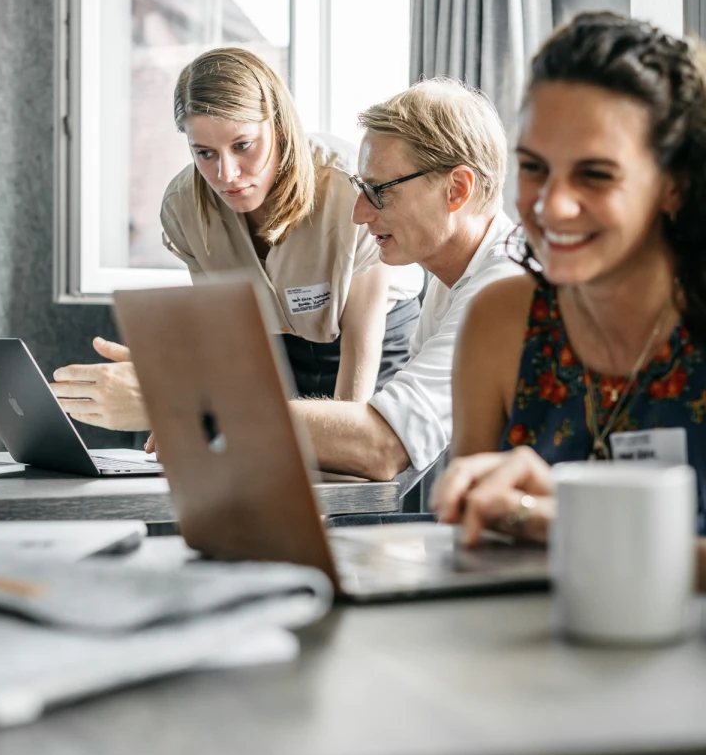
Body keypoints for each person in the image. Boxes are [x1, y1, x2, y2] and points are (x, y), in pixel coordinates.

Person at [52, 76, 522, 482]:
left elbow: (383, 447)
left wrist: (183, 400)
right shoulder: (453, 282)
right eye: (361, 190)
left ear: (457, 189)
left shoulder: (501, 290)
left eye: (378, 192)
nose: (359, 214)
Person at [431, 10, 706, 542]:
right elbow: (472, 533)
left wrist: (580, 524)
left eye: (595, 175)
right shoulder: (502, 320)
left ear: (675, 186)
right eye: (534, 168)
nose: (552, 206)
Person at [54, 48, 423, 412]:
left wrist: (345, 445)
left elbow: (361, 343)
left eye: (243, 146)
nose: (225, 175)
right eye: (205, 153)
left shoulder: (348, 187)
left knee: (363, 463)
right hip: (275, 345)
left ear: (278, 126)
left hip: (374, 335)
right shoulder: (184, 206)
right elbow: (229, 338)